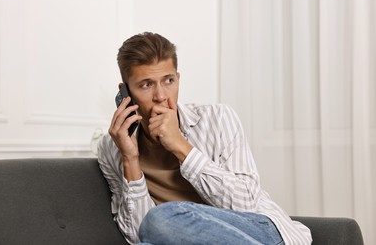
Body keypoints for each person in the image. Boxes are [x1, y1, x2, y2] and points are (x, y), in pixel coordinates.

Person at [98, 32, 312, 244]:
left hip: (254, 229)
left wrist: (181, 146)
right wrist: (130, 158)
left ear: (178, 79)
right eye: (146, 84)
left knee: (160, 217)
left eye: (168, 80)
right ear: (125, 91)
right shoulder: (112, 148)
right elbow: (138, 234)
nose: (161, 96)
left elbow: (246, 204)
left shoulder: (217, 118)